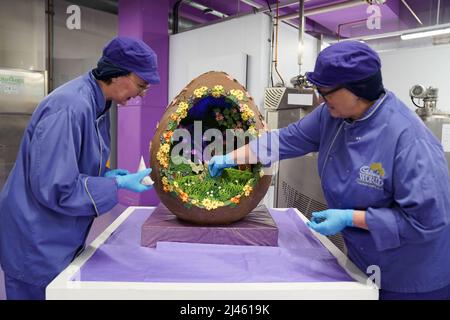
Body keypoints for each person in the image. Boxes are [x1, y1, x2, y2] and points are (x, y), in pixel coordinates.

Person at [209, 41, 450, 300]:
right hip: (363, 261)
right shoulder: (331, 115)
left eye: (326, 91)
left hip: (412, 276)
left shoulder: (410, 140)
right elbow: (286, 139)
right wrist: (230, 157)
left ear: (356, 90)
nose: (319, 98)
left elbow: (427, 222)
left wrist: (350, 218)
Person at [0, 36, 159, 300]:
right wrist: (114, 185)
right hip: (35, 240)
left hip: (57, 234)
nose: (142, 94)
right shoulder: (70, 107)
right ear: (117, 73)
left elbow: (71, 167)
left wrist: (105, 176)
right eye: (141, 85)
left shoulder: (98, 104)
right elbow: (54, 187)